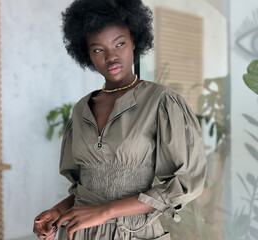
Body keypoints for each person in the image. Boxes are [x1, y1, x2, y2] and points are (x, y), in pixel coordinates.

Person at [33, 0, 207, 239]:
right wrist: (58, 211)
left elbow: (185, 183)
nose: (111, 57)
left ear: (134, 41)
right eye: (98, 49)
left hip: (134, 231)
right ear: (87, 54)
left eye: (120, 44)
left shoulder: (162, 102)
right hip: (80, 232)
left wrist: (106, 212)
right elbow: (84, 186)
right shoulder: (80, 109)